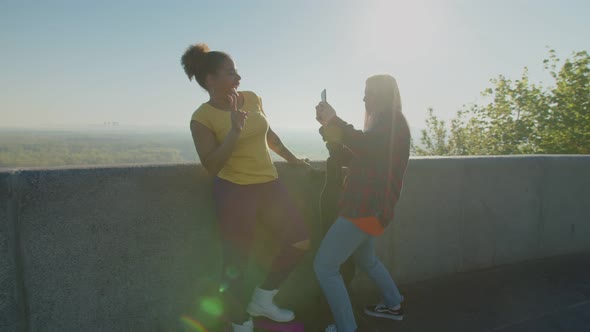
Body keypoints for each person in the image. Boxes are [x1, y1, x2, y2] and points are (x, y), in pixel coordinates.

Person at [181, 43, 310, 332]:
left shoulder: (251, 98)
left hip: (270, 185)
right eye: (230, 72)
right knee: (236, 262)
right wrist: (234, 131)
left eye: (236, 71)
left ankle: (263, 300)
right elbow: (211, 164)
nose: (238, 78)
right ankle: (240, 320)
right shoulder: (201, 118)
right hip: (235, 191)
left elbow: (269, 134)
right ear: (210, 80)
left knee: (300, 241)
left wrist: (292, 159)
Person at [313, 74, 411, 332]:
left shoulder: (392, 121)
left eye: (369, 92)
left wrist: (334, 120)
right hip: (375, 209)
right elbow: (353, 154)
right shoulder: (384, 122)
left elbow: (366, 148)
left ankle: (347, 328)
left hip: (364, 208)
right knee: (368, 261)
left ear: (383, 94)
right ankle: (394, 304)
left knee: (324, 266)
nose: (364, 97)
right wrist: (327, 127)